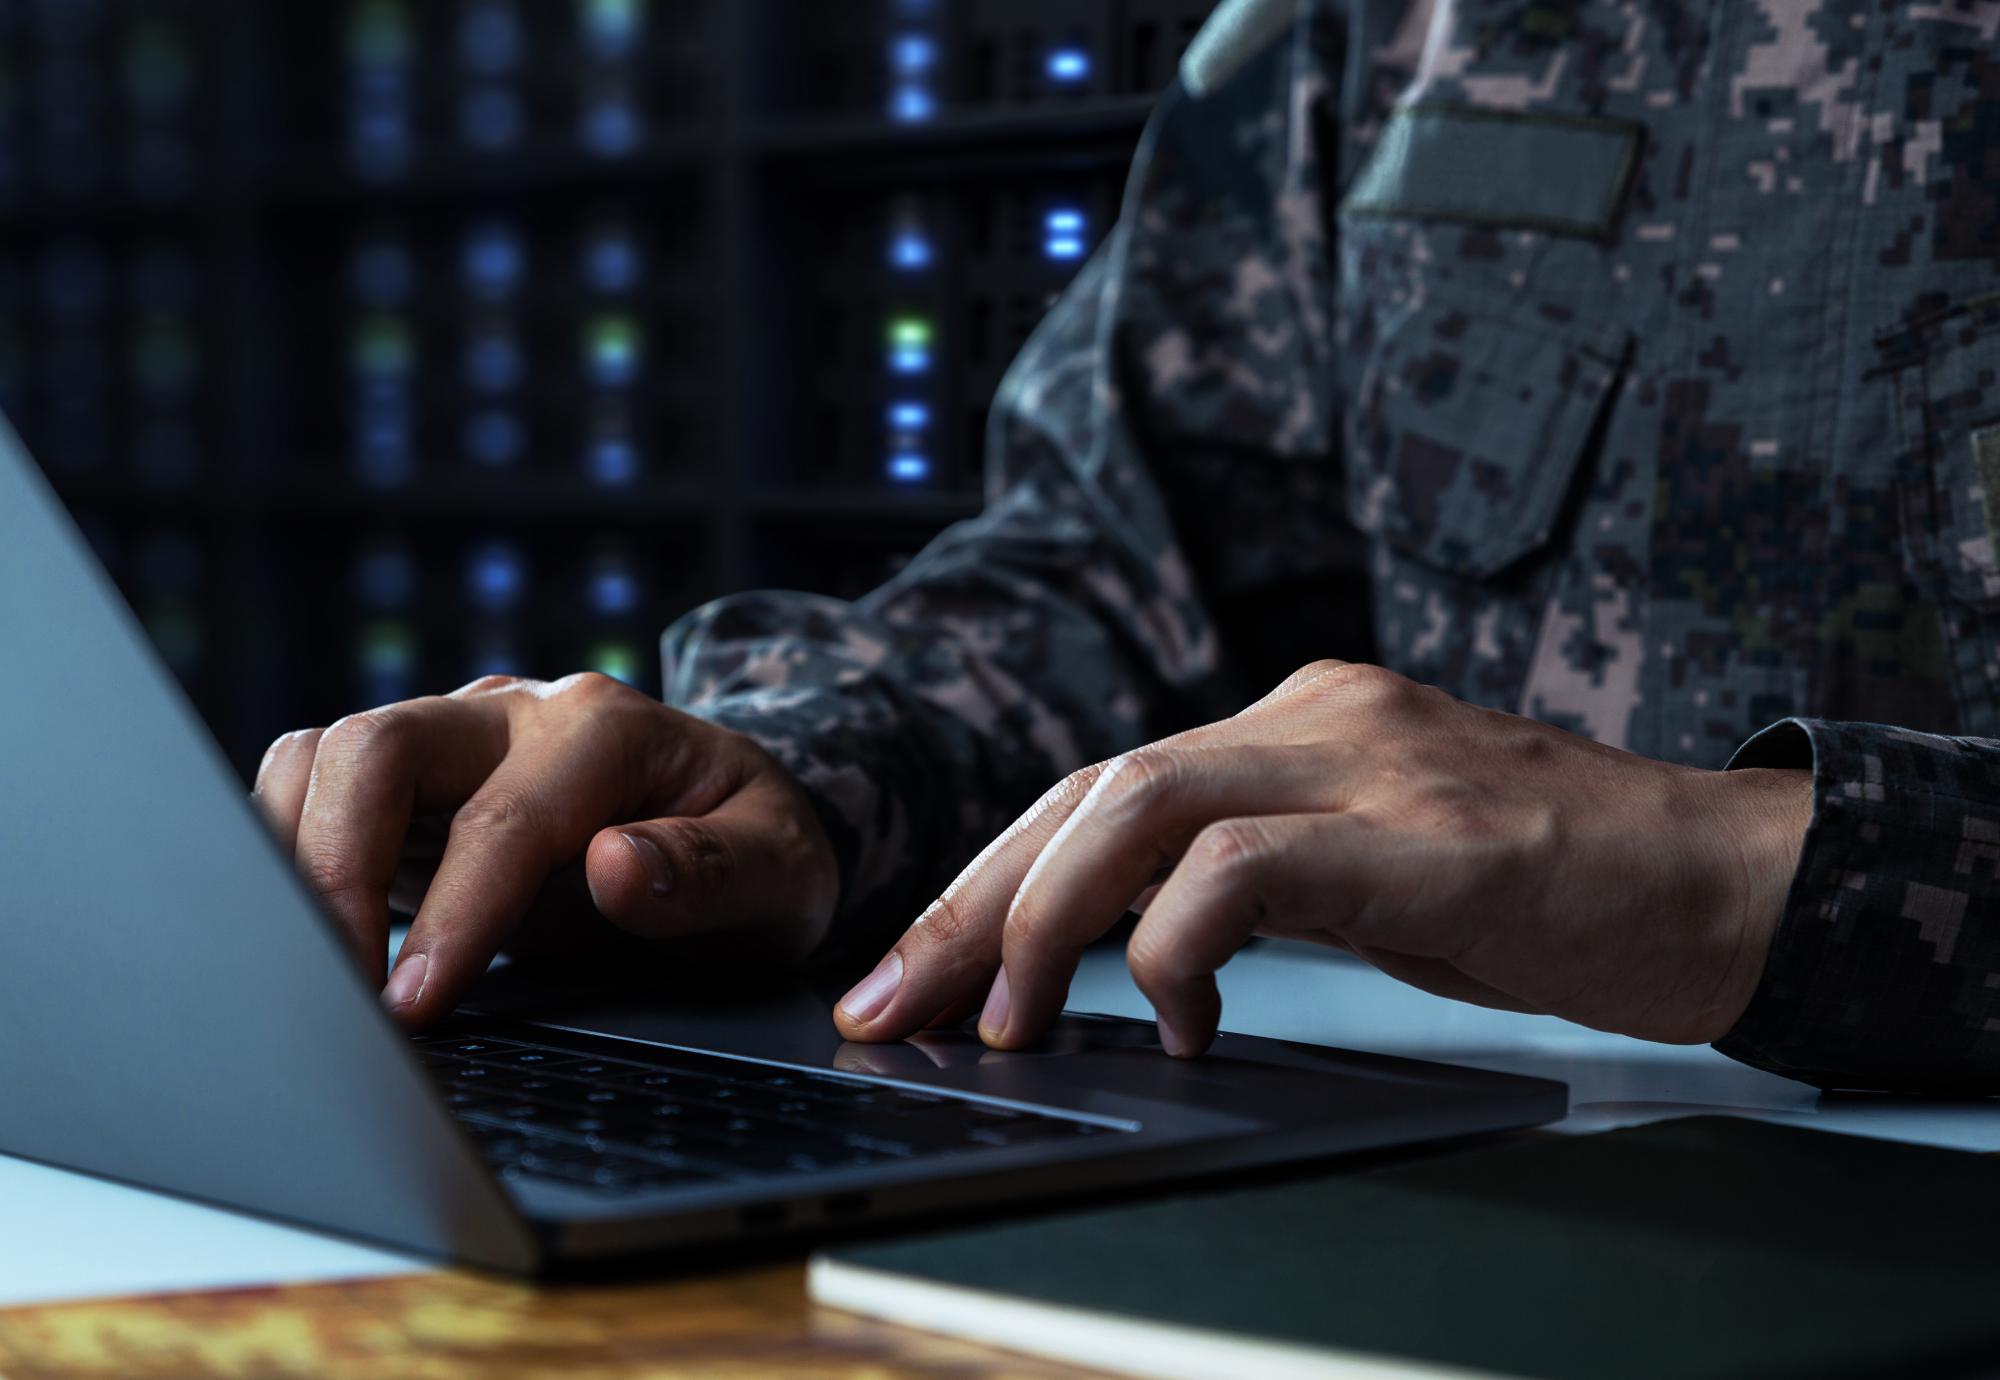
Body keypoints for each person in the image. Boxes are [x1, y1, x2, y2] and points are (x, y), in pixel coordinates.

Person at [251, 0, 2000, 1094]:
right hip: (1541, 1192)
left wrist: (1750, 875)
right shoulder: (1382, 30)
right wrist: (793, 789)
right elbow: (1119, 567)